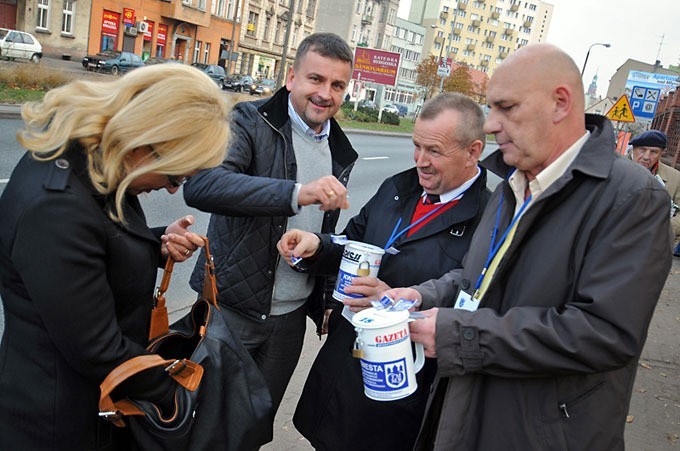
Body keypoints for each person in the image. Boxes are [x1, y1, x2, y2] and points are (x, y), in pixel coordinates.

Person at [385, 44, 672, 451]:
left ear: (559, 103)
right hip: (471, 409)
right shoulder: (511, 185)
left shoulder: (631, 197)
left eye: (506, 108)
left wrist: (458, 336)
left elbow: (603, 333)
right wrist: (419, 296)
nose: (489, 125)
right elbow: (476, 282)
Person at [0, 64, 232, 450]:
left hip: (92, 407)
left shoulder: (95, 163)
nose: (173, 191)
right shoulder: (56, 207)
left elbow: (96, 247)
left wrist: (156, 243)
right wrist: (181, 393)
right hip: (59, 423)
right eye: (175, 176)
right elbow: (97, 348)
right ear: (146, 144)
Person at [277, 92, 491, 451]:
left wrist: (394, 303)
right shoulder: (399, 187)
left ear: (473, 152)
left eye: (434, 151)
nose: (420, 161)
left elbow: (472, 295)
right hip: (346, 364)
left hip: (400, 383)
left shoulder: (489, 217)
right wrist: (318, 246)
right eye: (417, 146)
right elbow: (355, 242)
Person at [182, 32, 358, 418]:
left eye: (337, 85)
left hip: (289, 321)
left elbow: (324, 232)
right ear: (292, 78)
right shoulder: (248, 120)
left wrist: (328, 299)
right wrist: (297, 192)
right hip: (231, 310)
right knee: (206, 423)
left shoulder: (341, 149)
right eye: (316, 79)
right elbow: (204, 184)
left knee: (255, 425)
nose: (325, 93)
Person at [628, 129, 680, 256]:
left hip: (652, 248)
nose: (646, 156)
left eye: (654, 152)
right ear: (633, 149)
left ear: (661, 153)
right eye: (642, 149)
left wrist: (667, 228)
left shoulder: (675, 177)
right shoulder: (613, 167)